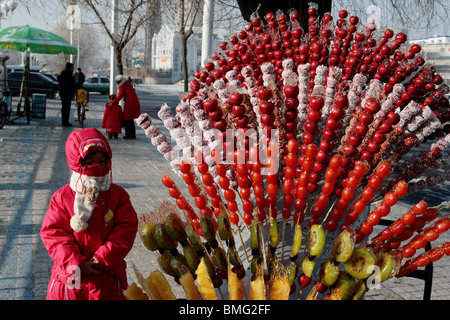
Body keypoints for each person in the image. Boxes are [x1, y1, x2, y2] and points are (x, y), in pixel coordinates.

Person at [40, 128, 138, 300]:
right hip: (72, 275)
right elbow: (53, 233)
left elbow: (126, 229)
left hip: (106, 273)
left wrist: (104, 257)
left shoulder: (117, 195)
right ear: (76, 162)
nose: (97, 166)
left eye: (102, 160)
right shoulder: (63, 197)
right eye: (90, 161)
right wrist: (75, 261)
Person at [109, 75, 140, 139]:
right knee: (131, 120)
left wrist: (112, 103)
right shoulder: (128, 84)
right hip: (135, 102)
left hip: (129, 103)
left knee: (126, 119)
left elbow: (119, 96)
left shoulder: (122, 86)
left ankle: (128, 135)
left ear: (118, 81)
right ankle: (133, 135)